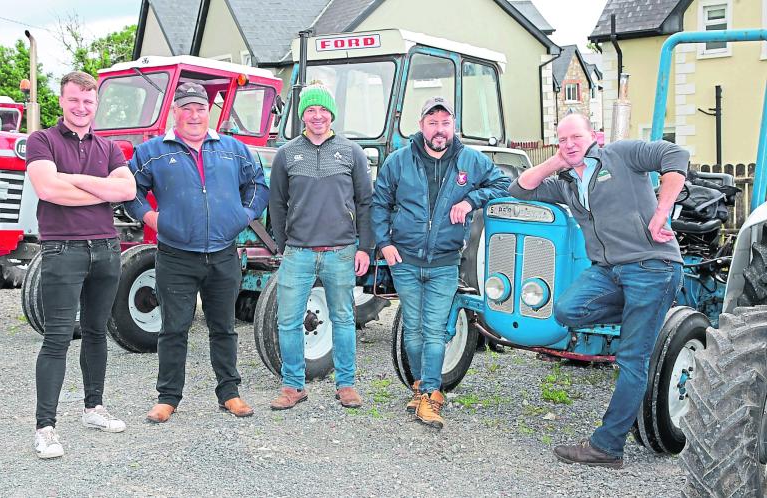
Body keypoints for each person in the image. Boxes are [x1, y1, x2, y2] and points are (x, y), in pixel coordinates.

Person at [508, 113, 687, 468]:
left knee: (632, 361)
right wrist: (559, 160)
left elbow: (675, 155)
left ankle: (607, 447)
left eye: (576, 136)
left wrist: (661, 211)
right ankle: (646, 314)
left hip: (652, 265)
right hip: (609, 271)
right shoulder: (566, 183)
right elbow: (519, 188)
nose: (570, 144)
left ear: (595, 136)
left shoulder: (622, 155)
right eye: (562, 140)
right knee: (566, 310)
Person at [125, 82, 269, 423]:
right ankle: (168, 397)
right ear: (175, 112)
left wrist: (244, 216)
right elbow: (131, 191)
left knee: (224, 327)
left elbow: (258, 184)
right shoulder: (152, 152)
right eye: (186, 108)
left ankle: (229, 393)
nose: (193, 115)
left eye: (199, 108)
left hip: (223, 254)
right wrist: (150, 217)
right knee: (174, 328)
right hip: (175, 255)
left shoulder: (234, 149)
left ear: (209, 112)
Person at [371, 96, 510, 429]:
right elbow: (379, 203)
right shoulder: (398, 161)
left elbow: (503, 183)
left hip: (445, 262)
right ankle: (422, 388)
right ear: (421, 126)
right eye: (432, 123)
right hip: (404, 260)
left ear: (453, 126)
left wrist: (471, 199)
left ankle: (430, 394)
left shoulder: (471, 161)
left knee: (434, 331)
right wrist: (384, 244)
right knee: (413, 331)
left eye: (445, 123)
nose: (439, 130)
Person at [27, 71, 137, 459]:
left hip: (106, 249)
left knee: (96, 332)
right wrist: (97, 186)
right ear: (62, 100)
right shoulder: (42, 140)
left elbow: (127, 190)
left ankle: (94, 408)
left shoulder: (108, 147)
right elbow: (47, 189)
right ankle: (45, 428)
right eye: (74, 100)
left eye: (88, 101)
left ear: (96, 104)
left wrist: (73, 181)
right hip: (62, 249)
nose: (81, 107)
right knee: (57, 337)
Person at [268, 82, 372, 410]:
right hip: (298, 253)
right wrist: (286, 245)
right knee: (288, 321)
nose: (317, 116)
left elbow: (365, 202)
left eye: (323, 110)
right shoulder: (287, 154)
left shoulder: (350, 152)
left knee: (343, 318)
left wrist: (364, 248)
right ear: (302, 116)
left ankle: (346, 385)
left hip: (341, 251)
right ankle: (293, 385)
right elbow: (277, 204)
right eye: (310, 110)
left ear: (332, 114)